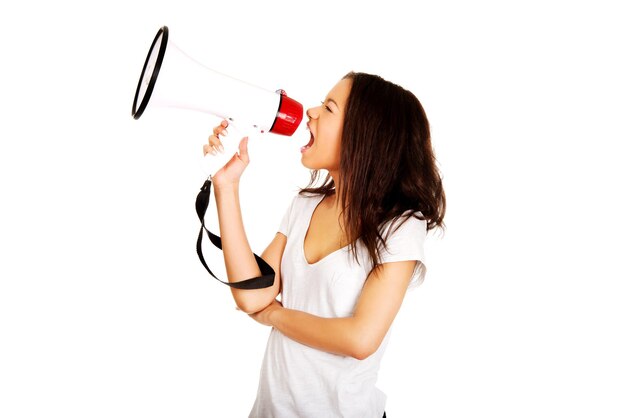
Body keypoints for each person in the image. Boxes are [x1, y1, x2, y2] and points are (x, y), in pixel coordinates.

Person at [203, 72, 446, 418]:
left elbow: (360, 339)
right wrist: (226, 185)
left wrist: (275, 314)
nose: (310, 112)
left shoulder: (401, 227)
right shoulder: (304, 204)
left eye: (328, 107)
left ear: (365, 135)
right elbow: (251, 295)